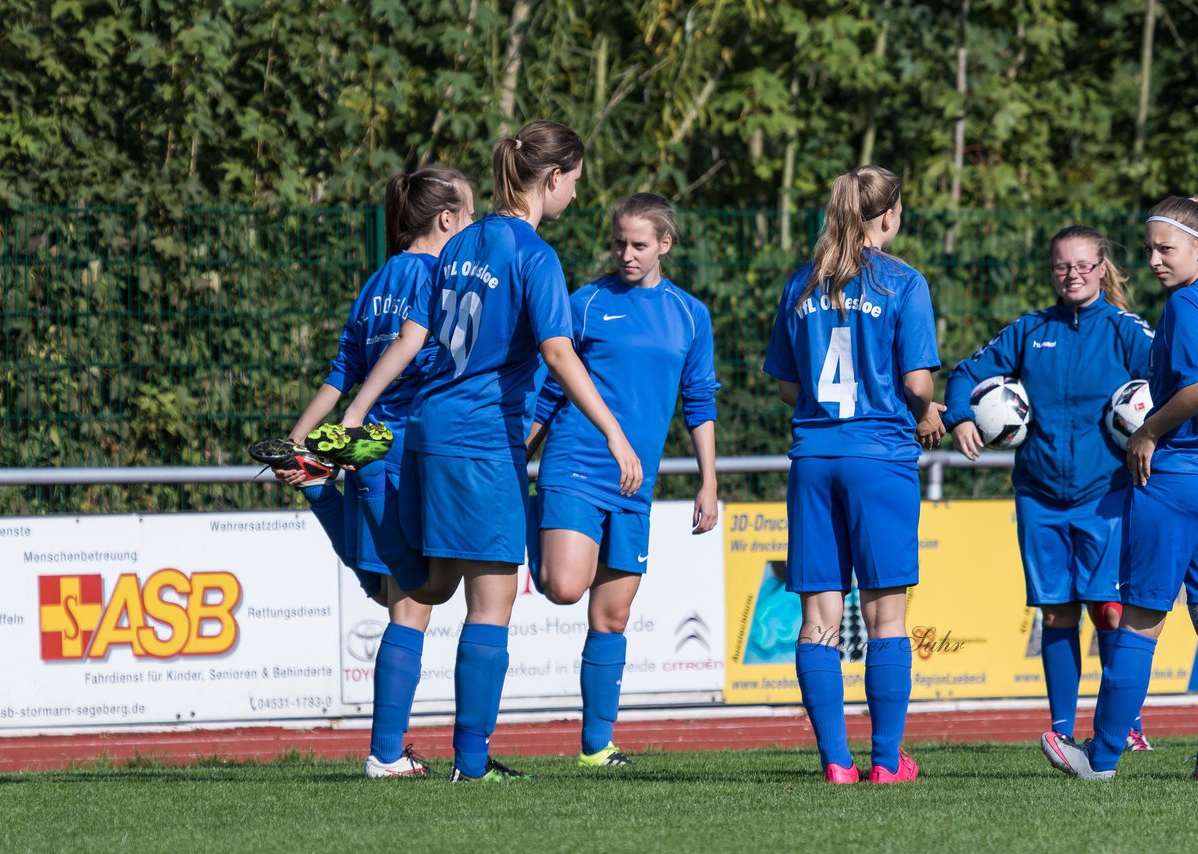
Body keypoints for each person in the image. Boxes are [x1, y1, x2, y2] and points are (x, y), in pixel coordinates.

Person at [338, 120, 643, 782]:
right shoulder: (534, 255)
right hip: (482, 443)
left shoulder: (458, 244)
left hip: (426, 434)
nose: (574, 197)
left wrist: (358, 409)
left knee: (424, 590)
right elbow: (558, 353)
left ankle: (386, 753)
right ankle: (471, 765)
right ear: (553, 179)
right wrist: (614, 432)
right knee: (492, 602)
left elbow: (414, 336)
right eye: (575, 184)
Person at [257, 166, 474, 778]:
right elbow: (409, 346)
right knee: (413, 601)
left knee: (394, 593)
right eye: (472, 214)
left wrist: (300, 438)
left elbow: (340, 368)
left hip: (366, 447)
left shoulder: (377, 278)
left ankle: (323, 491)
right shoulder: (436, 274)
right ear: (446, 220)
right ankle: (384, 754)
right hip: (402, 446)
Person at [763, 164, 944, 784]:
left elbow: (790, 385)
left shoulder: (800, 283)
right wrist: (929, 411)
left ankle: (836, 763)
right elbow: (918, 383)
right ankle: (887, 762)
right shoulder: (904, 282)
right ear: (890, 215)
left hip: (813, 458)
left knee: (819, 620)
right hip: (880, 457)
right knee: (886, 617)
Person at [526, 193, 720, 768]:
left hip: (637, 484)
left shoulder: (691, 315)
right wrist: (515, 456)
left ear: (664, 244)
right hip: (575, 463)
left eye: (639, 244)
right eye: (619, 243)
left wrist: (708, 481)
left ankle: (596, 747)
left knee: (612, 616)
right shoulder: (584, 304)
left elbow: (700, 400)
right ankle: (527, 516)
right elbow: (548, 390)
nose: (626, 254)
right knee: (563, 585)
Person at [944, 226, 1155, 753]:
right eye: (1063, 266)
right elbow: (965, 373)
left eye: (1084, 265)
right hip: (1038, 496)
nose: (1073, 275)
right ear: (1051, 271)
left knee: (1108, 607)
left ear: (1102, 268)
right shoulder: (1029, 330)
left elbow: (1172, 383)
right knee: (1056, 611)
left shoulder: (1128, 332)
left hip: (1108, 494)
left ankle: (1123, 725)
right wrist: (958, 417)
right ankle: (1061, 730)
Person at [1041, 196, 1198, 780]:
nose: (1155, 259)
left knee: (1138, 619)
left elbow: (1194, 388)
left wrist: (1148, 433)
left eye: (1166, 248)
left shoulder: (1185, 304)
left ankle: (1099, 759)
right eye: (1152, 247)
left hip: (1175, 478)